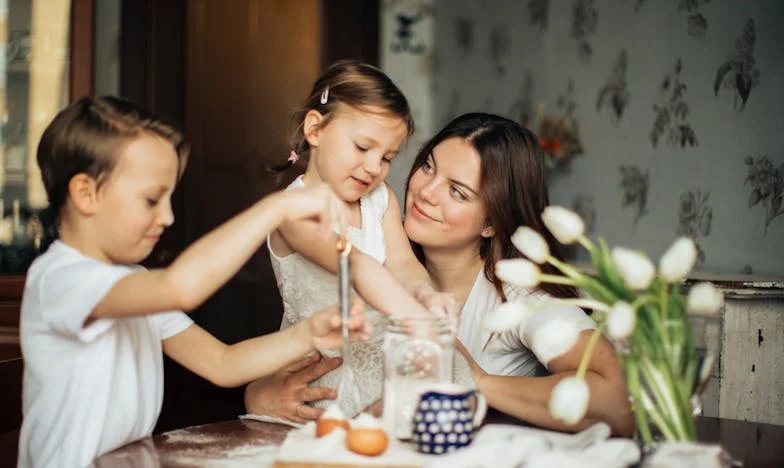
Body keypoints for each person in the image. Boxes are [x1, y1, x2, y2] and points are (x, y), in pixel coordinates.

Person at [18, 96, 370, 468]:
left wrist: (310, 333)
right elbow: (180, 288)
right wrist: (276, 209)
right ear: (86, 195)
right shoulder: (61, 279)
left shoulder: (133, 283)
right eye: (152, 200)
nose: (167, 216)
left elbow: (223, 363)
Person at [247, 113, 634, 436]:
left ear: (492, 223)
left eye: (458, 192)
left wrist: (477, 381)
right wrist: (260, 393)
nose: (426, 192)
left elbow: (616, 404)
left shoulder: (518, 297)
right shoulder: (369, 254)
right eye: (427, 167)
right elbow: (293, 360)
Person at [266, 59, 465, 419]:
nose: (374, 167)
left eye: (387, 157)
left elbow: (403, 263)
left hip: (381, 361)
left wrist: (424, 294)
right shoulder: (293, 210)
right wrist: (416, 317)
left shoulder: (380, 198)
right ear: (315, 129)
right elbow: (354, 264)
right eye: (362, 148)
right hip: (326, 373)